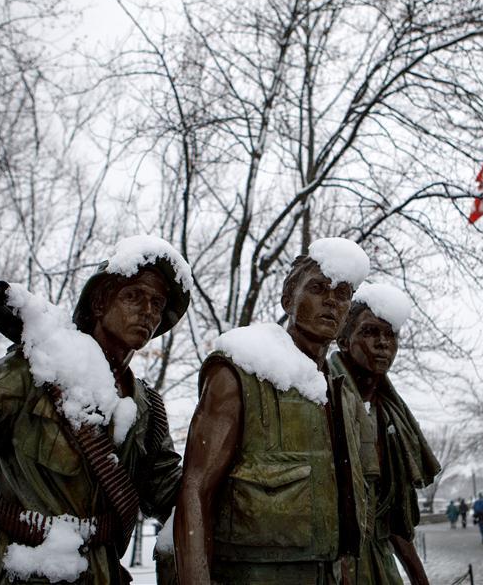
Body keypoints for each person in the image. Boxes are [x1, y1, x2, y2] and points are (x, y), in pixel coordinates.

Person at [0, 236, 192, 585]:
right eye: (133, 296)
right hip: (25, 570)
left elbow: (173, 496)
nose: (148, 312)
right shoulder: (33, 374)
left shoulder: (147, 408)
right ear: (98, 303)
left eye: (158, 303)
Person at [174, 239, 372, 585]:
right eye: (318, 288)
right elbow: (195, 488)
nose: (331, 300)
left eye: (342, 294)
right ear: (287, 301)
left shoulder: (342, 395)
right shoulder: (239, 372)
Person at [329, 283, 439, 585]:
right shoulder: (323, 398)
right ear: (344, 339)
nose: (382, 343)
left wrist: (419, 577)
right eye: (369, 332)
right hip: (333, 566)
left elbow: (393, 517)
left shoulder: (389, 414)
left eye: (390, 335)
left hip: (380, 565)